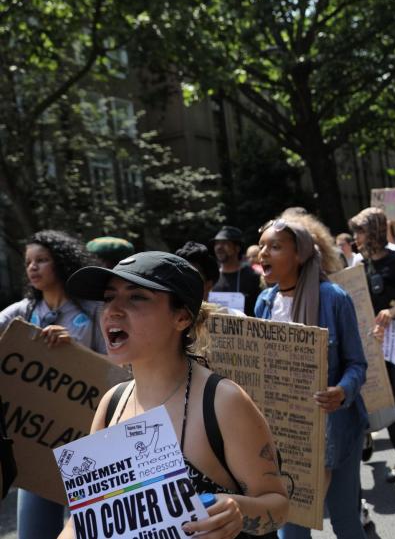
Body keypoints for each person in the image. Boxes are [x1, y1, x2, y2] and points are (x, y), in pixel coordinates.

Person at [61, 252, 289, 538]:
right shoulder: (112, 404)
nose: (113, 311)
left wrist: (239, 512)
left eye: (136, 297)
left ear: (181, 317)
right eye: (108, 298)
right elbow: (86, 518)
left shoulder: (222, 401)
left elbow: (278, 505)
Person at [254, 218, 368, 538]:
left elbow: (357, 363)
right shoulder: (264, 302)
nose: (264, 253)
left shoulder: (334, 298)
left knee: (345, 521)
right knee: (291, 528)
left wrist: (342, 391)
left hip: (338, 430)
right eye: (262, 246)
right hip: (286, 436)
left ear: (300, 255)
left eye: (275, 247)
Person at [0, 231, 104, 539]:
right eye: (29, 262)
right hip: (39, 449)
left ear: (61, 263)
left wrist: (75, 349)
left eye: (42, 260)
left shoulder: (93, 310)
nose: (33, 268)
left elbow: (116, 368)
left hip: (86, 447)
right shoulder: (22, 312)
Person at [350, 207, 395, 483]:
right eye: (355, 231)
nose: (357, 236)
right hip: (376, 343)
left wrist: (394, 311)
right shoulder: (358, 265)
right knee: (386, 402)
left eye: (361, 230)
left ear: (376, 230)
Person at [211, 225, 262, 315]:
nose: (219, 247)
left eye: (225, 243)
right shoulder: (211, 278)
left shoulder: (253, 277)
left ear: (237, 248)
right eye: (217, 243)